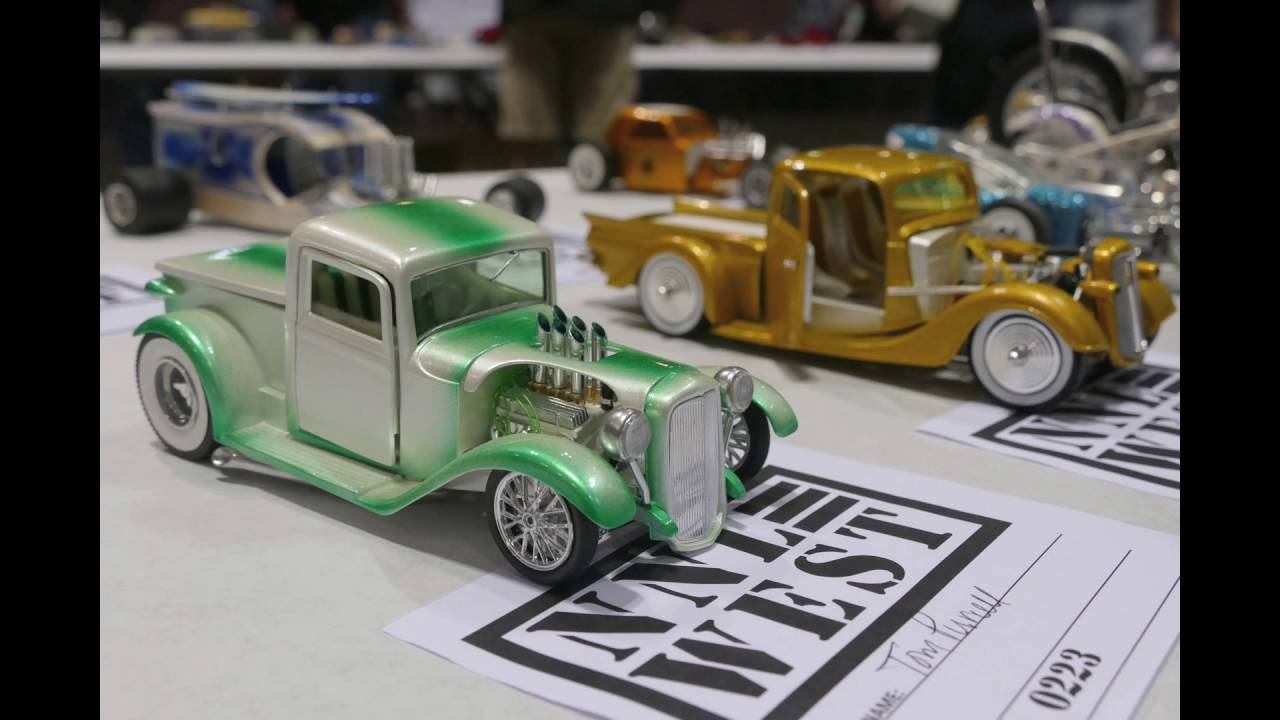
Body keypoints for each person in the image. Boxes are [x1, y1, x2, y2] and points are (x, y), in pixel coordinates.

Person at [496, 1, 677, 166]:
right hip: (600, 14)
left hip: (544, 14)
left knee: (595, 137)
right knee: (593, 132)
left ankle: (532, 177)